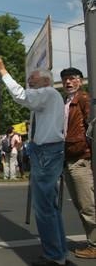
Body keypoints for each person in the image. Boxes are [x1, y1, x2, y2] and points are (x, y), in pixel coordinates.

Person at [0, 58, 68, 266]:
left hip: (46, 151)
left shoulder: (49, 93)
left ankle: (54, 255)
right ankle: (59, 252)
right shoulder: (48, 98)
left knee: (44, 208)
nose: (29, 81)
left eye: (32, 79)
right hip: (45, 150)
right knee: (49, 207)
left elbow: (21, 95)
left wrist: (2, 71)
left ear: (45, 81)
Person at [60, 67, 95, 259]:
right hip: (70, 158)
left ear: (80, 81)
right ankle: (92, 240)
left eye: (72, 79)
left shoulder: (83, 99)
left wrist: (87, 148)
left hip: (82, 158)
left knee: (87, 205)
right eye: (65, 79)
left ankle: (95, 244)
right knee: (82, 205)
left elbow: (92, 124)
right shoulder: (67, 102)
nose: (68, 82)